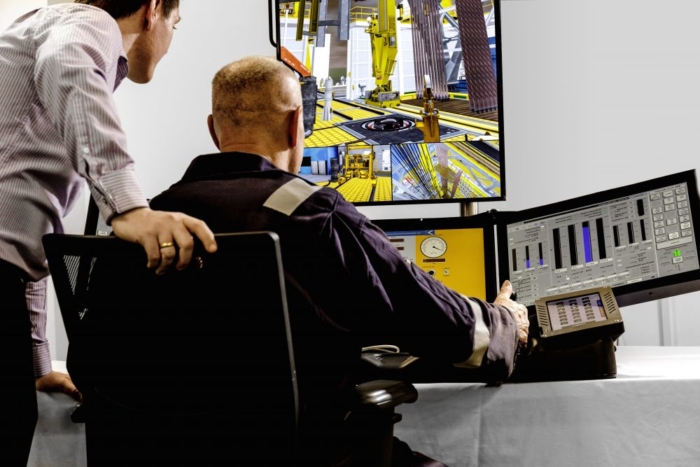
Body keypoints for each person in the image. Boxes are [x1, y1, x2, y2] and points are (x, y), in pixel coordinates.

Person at [148, 55, 529, 466]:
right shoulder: (311, 211)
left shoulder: (154, 217)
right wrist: (504, 320)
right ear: (297, 125)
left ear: (213, 130)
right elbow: (433, 315)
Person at [0, 1, 218, 464]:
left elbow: (23, 233)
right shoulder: (85, 23)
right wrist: (130, 208)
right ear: (152, 11)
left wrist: (37, 364)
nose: (171, 41)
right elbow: (67, 58)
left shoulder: (38, 32)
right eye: (175, 25)